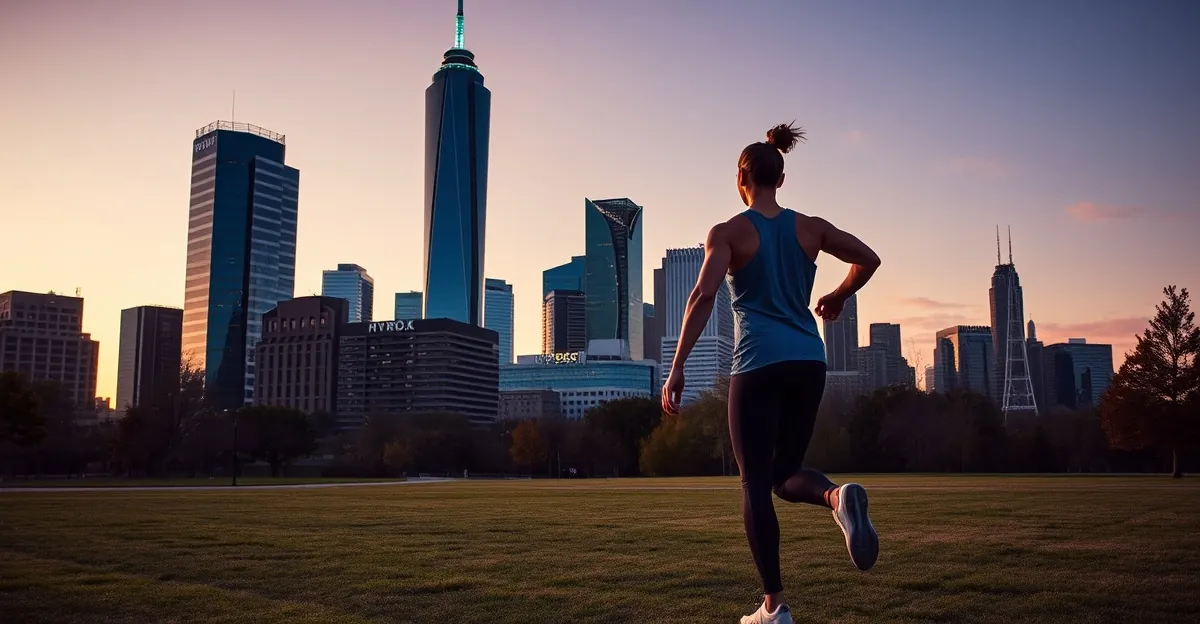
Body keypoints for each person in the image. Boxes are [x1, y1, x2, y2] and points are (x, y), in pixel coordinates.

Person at [661, 122, 882, 624]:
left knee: (755, 484)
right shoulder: (811, 228)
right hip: (809, 360)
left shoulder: (729, 232)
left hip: (758, 363)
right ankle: (836, 496)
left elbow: (702, 295)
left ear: (741, 180)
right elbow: (867, 259)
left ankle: (774, 606)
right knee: (784, 475)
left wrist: (677, 368)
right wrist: (838, 295)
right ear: (780, 179)